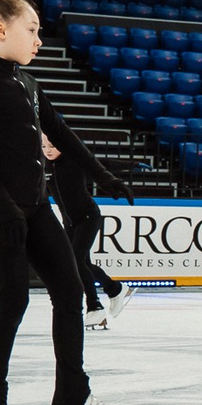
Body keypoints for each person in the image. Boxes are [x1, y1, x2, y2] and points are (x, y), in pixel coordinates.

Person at [0, 0, 127, 405]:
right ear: (0, 30)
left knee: (70, 291)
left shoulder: (29, 84)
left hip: (34, 208)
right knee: (12, 298)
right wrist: (4, 206)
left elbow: (64, 136)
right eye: (31, 30)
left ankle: (73, 400)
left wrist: (104, 176)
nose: (38, 39)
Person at [44, 129, 131, 330]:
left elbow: (103, 165)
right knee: (79, 263)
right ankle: (115, 289)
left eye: (52, 146)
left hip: (88, 216)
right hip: (70, 222)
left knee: (76, 260)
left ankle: (94, 307)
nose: (47, 151)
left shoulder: (74, 159)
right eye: (43, 147)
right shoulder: (44, 166)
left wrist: (132, 166)